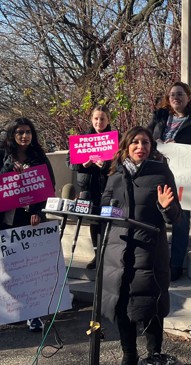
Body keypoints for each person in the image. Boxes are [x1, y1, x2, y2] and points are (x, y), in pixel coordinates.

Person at [100, 126, 181, 365]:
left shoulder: (161, 172)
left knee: (151, 306)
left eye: (145, 142)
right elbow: (103, 210)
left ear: (151, 147)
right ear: (126, 146)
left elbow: (175, 216)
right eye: (134, 142)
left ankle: (154, 357)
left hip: (149, 252)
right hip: (118, 252)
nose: (140, 147)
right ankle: (129, 357)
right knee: (121, 306)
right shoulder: (114, 175)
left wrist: (165, 208)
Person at [0, 117, 56, 332]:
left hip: (29, 219)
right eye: (20, 132)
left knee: (29, 267)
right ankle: (13, 308)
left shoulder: (38, 156)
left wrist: (37, 211)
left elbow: (48, 185)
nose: (24, 136)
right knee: (7, 266)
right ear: (12, 135)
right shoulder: (0, 155)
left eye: (28, 132)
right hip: (5, 218)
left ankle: (32, 314)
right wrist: (7, 168)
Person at [148, 81, 191, 281]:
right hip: (158, 173)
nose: (176, 97)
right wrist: (156, 144)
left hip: (184, 177)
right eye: (173, 94)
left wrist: (181, 147)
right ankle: (153, 262)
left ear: (188, 97)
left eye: (180, 94)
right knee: (152, 218)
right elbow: (145, 138)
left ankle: (175, 265)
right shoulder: (159, 117)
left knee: (181, 221)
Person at [71, 105, 113, 269]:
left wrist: (106, 165)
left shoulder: (114, 139)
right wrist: (83, 164)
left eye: (102, 118)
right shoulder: (82, 139)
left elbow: (121, 161)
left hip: (108, 187)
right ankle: (97, 255)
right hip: (88, 188)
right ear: (91, 119)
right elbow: (71, 162)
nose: (99, 122)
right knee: (93, 221)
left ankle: (107, 254)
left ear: (108, 120)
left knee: (106, 221)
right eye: (96, 118)